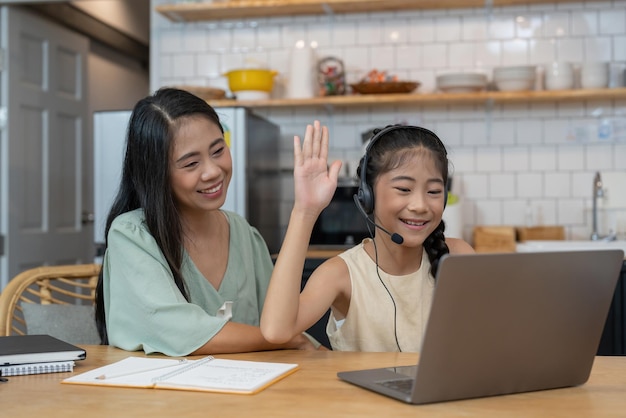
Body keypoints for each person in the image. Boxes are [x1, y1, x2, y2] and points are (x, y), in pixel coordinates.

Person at [94, 87, 340, 356]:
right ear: (157, 174)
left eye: (218, 150)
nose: (213, 171)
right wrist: (286, 340)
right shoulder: (132, 235)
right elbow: (180, 333)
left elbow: (284, 321)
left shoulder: (243, 234)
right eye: (190, 164)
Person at [261, 125, 475, 352]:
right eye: (403, 189)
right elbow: (276, 330)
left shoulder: (458, 257)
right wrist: (305, 210)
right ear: (368, 195)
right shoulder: (341, 273)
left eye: (433, 191)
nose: (420, 205)